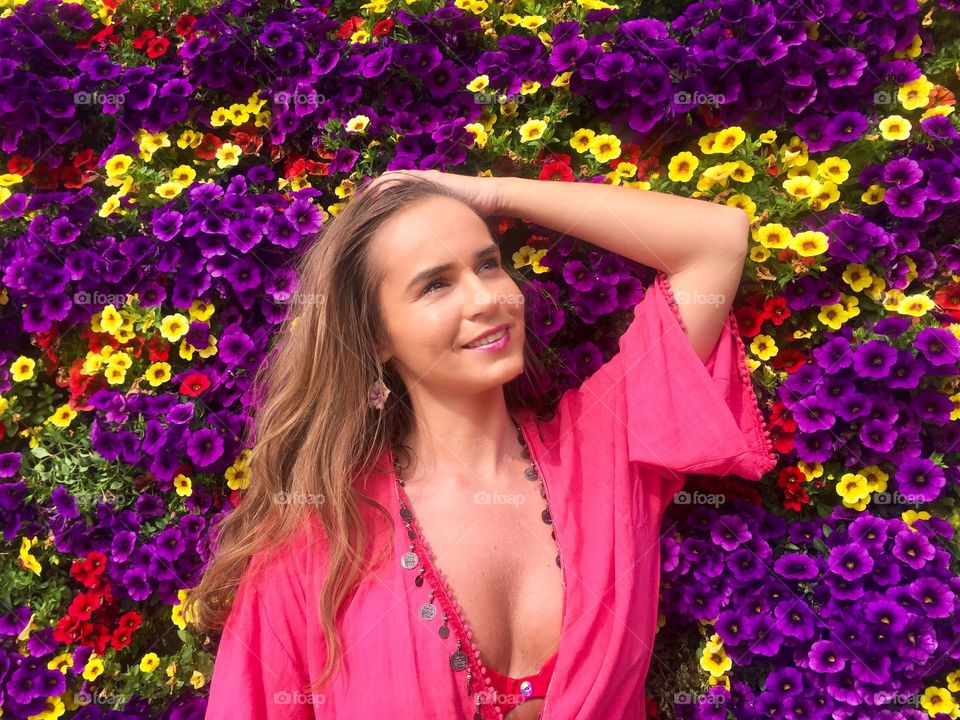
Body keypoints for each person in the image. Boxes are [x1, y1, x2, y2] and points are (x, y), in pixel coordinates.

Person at [191, 169, 778, 719]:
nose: (486, 299)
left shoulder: (608, 444)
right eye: (436, 285)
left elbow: (715, 240)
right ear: (376, 337)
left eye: (489, 265)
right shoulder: (318, 541)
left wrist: (492, 191)